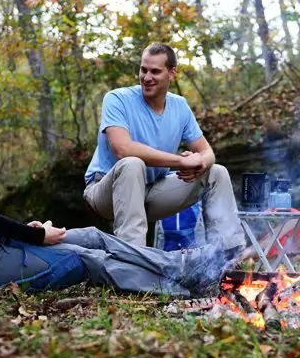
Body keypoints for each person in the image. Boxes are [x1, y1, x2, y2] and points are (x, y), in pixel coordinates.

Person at [0, 89, 229, 297]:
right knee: (86, 258)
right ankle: (181, 286)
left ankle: (181, 265)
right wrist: (36, 235)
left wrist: (31, 230)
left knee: (92, 235)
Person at [83, 43, 245, 260]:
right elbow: (123, 149)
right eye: (143, 70)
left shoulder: (179, 106)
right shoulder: (117, 99)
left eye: (155, 71)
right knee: (132, 164)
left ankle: (226, 258)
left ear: (172, 74)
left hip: (150, 192)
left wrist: (199, 162)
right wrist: (180, 161)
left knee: (216, 173)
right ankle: (134, 262)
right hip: (105, 192)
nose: (147, 77)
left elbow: (207, 152)